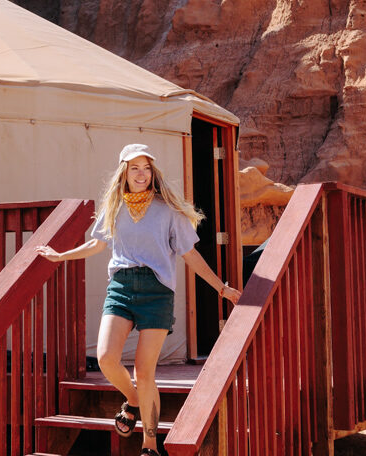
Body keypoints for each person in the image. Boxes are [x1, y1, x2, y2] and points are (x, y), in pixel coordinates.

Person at [36, 144, 241, 456]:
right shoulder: (115, 207)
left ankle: (149, 445)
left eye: (146, 168)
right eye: (135, 168)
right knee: (106, 358)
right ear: (124, 172)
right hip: (121, 286)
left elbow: (190, 255)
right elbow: (96, 244)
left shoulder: (168, 210)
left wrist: (221, 288)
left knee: (145, 372)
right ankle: (133, 400)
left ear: (153, 172)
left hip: (157, 291)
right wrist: (61, 256)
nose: (141, 174)